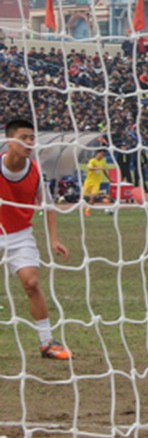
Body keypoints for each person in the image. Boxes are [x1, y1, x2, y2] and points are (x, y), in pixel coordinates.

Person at [1, 118, 72, 359]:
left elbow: (48, 207)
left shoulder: (35, 171)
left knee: (31, 283)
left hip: (20, 234)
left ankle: (46, 342)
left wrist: (54, 240)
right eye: (24, 138)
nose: (29, 142)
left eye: (32, 138)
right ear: (9, 141)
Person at [81, 148, 108, 216]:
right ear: (97, 153)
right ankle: (100, 198)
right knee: (83, 196)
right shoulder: (92, 161)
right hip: (89, 182)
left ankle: (87, 211)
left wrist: (109, 178)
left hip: (96, 183)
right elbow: (89, 168)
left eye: (103, 155)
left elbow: (104, 170)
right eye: (101, 154)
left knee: (93, 197)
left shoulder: (102, 162)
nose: (102, 156)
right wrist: (98, 168)